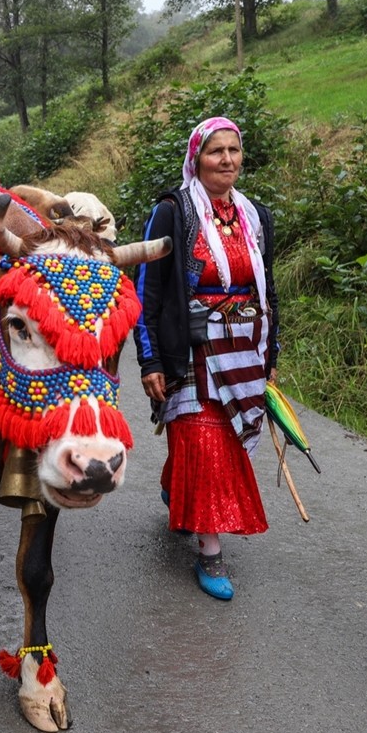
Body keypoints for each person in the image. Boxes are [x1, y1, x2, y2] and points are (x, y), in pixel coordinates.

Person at [133, 116, 280, 602]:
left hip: (245, 350)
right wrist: (151, 360)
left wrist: (271, 351)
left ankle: (177, 486)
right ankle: (211, 550)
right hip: (190, 346)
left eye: (234, 150)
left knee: (226, 440)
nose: (227, 160)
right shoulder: (174, 212)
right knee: (204, 440)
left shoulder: (255, 215)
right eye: (216, 151)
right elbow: (148, 291)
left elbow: (268, 290)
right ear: (196, 158)